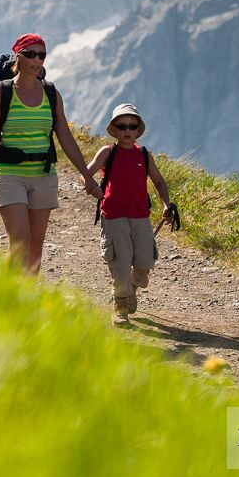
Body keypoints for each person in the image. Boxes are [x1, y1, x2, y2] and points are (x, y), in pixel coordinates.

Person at [0, 33, 101, 273]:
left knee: (35, 247)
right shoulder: (1, 93)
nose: (37, 60)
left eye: (41, 55)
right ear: (19, 56)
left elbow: (65, 137)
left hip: (44, 175)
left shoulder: (51, 94)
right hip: (10, 174)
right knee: (20, 242)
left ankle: (27, 303)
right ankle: (4, 299)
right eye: (30, 54)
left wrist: (87, 175)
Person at [84, 103, 171, 325]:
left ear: (138, 130)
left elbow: (159, 182)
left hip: (140, 216)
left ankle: (131, 289)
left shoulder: (144, 154)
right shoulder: (107, 152)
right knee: (120, 264)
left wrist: (166, 205)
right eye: (122, 126)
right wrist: (91, 185)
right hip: (113, 216)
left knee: (144, 265)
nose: (127, 131)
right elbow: (87, 172)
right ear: (114, 129)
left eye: (132, 126)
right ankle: (120, 306)